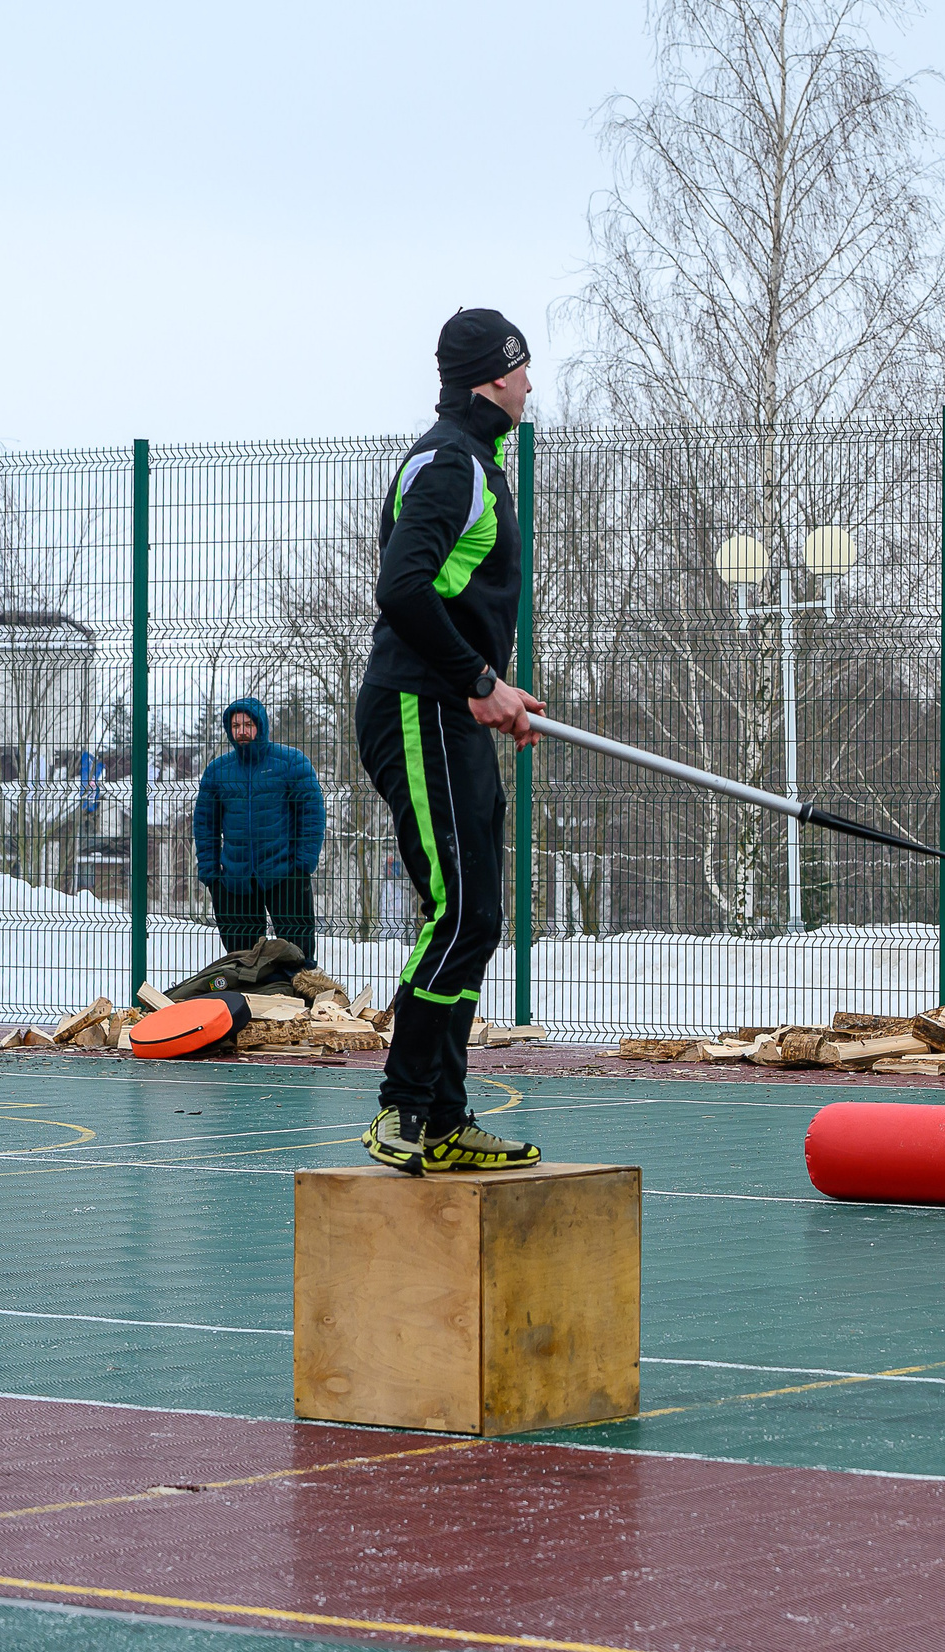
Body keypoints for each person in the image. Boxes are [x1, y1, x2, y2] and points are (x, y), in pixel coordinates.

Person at [354, 308, 548, 1174]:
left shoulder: (482, 465)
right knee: (459, 910)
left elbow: (451, 596)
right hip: (417, 704)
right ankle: (404, 1106)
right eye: (521, 371)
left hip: (451, 707)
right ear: (490, 378)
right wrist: (477, 682)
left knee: (478, 917)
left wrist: (493, 691)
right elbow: (401, 587)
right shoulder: (449, 462)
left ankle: (445, 1116)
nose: (530, 386)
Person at [192, 697, 326, 967]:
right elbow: (205, 823)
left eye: (248, 724)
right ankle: (250, 1005)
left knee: (298, 957)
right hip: (234, 880)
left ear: (260, 726)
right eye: (235, 725)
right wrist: (211, 874)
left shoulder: (291, 763)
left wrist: (302, 865)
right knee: (242, 961)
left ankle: (301, 1005)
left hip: (284, 874)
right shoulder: (218, 771)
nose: (241, 731)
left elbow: (311, 813)